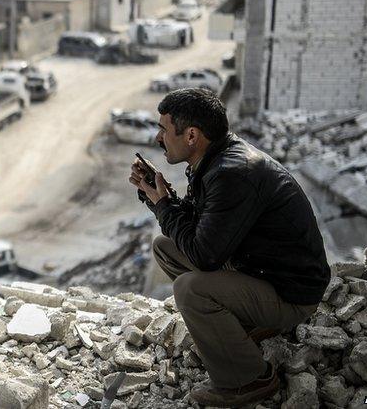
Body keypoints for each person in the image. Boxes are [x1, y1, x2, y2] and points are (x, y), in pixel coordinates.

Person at [129, 88, 330, 407]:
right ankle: (240, 327)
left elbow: (203, 256)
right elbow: (200, 232)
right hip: (259, 271)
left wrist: (165, 204)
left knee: (191, 289)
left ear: (191, 135)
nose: (157, 138)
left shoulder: (231, 173)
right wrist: (158, 198)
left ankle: (249, 379)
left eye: (164, 129)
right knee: (165, 247)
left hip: (291, 295)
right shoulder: (216, 158)